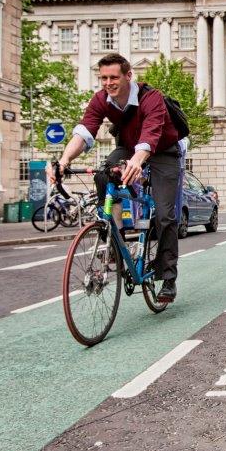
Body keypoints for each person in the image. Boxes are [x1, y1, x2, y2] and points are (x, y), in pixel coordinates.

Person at [48, 53, 183, 302]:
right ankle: (114, 237)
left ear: (128, 76)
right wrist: (64, 160)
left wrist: (136, 162)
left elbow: (151, 135)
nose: (108, 83)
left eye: (113, 77)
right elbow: (85, 131)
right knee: (103, 175)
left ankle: (168, 277)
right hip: (129, 147)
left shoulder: (151, 98)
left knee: (165, 214)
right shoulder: (101, 100)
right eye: (103, 78)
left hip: (163, 151)